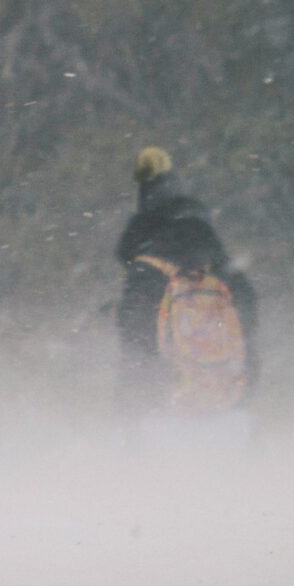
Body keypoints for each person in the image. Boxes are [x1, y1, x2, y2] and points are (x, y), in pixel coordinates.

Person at [114, 148, 257, 421]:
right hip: (226, 406)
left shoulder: (148, 270)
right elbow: (248, 328)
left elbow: (135, 350)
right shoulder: (222, 268)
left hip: (162, 410)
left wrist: (130, 409)